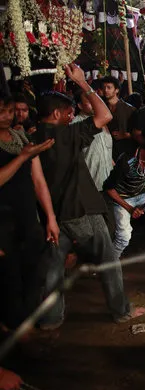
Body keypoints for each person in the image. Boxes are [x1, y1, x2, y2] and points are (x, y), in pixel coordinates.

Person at [34, 64, 145, 328]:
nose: (72, 113)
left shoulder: (30, 137)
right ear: (56, 114)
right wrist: (84, 83)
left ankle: (50, 319)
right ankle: (121, 311)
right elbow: (105, 114)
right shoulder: (66, 134)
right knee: (108, 260)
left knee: (53, 268)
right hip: (81, 208)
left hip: (53, 213)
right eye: (68, 111)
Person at [0, 93, 56, 329]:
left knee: (34, 271)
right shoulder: (21, 147)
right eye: (2, 111)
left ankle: (27, 323)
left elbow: (38, 180)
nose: (8, 116)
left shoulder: (19, 136)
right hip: (3, 220)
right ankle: (14, 329)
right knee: (9, 277)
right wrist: (22, 157)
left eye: (10, 111)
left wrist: (50, 217)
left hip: (26, 216)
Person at [72, 88, 113, 192]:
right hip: (90, 187)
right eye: (89, 102)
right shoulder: (75, 125)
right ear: (80, 105)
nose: (94, 105)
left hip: (109, 185)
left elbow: (107, 151)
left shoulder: (103, 123)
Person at [101, 76, 135, 159]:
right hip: (106, 148)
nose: (106, 90)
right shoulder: (102, 107)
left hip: (124, 149)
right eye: (104, 87)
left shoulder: (129, 109)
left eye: (109, 87)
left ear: (116, 90)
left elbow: (136, 132)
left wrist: (125, 135)